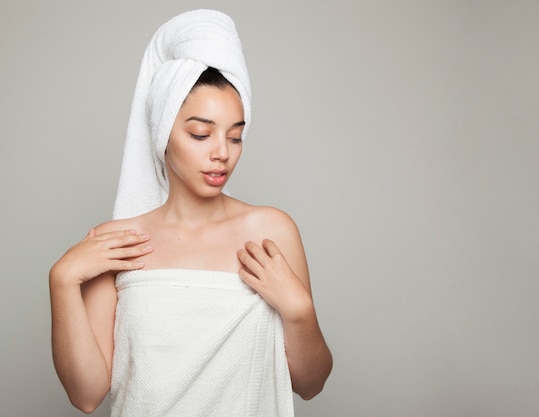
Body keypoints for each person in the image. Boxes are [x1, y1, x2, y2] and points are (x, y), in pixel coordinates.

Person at [49, 10, 332, 416]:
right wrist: (61, 281)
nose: (222, 152)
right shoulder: (117, 243)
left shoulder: (271, 231)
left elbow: (311, 383)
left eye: (235, 136)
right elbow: (87, 395)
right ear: (163, 132)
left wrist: (299, 312)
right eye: (201, 134)